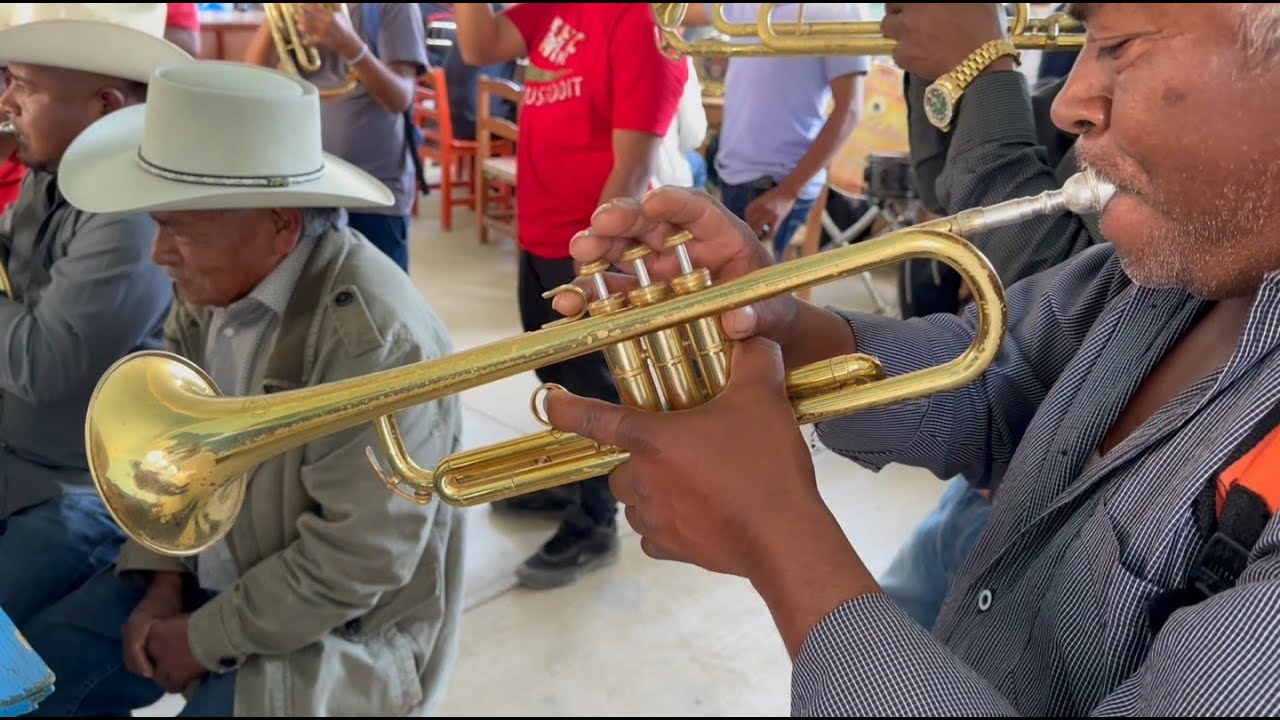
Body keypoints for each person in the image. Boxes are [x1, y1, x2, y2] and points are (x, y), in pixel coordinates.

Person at [542, 3, 1280, 715]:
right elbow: (998, 378)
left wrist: (776, 539)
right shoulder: (1175, 261)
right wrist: (776, 323)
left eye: (1118, 45)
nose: (1070, 103)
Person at [22, 60, 466, 717]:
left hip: (349, 629)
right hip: (222, 568)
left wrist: (203, 639)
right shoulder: (212, 281)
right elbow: (170, 461)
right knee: (41, 671)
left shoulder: (375, 346)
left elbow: (358, 564)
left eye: (179, 229)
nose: (158, 254)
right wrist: (162, 579)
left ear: (282, 225)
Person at [453, 3, 687, 590]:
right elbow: (479, 45)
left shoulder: (638, 19)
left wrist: (593, 268)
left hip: (590, 250)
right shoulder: (551, 9)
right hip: (539, 234)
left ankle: (597, 519)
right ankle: (576, 477)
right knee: (553, 373)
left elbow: (631, 174)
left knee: (595, 390)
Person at [878, 3, 1096, 630]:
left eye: (1120, 42)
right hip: (1001, 467)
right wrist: (945, 61)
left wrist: (985, 64)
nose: (1075, 94)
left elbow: (1061, 301)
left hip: (1067, 511)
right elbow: (949, 190)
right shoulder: (1081, 106)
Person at [0, 4, 189, 630]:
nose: (7, 102)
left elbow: (42, 364)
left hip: (79, 490)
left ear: (107, 107)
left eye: (25, 86)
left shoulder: (129, 210)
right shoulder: (54, 169)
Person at [244, 3, 428, 272]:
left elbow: (400, 97)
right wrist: (274, 21)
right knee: (308, 301)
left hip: (373, 192)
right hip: (306, 190)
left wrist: (350, 46)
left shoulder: (395, 7)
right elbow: (251, 85)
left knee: (376, 298)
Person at [685, 2, 867, 258]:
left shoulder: (839, 11)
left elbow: (849, 110)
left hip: (775, 182)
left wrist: (787, 192)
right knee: (736, 287)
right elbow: (676, 14)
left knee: (752, 290)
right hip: (736, 173)